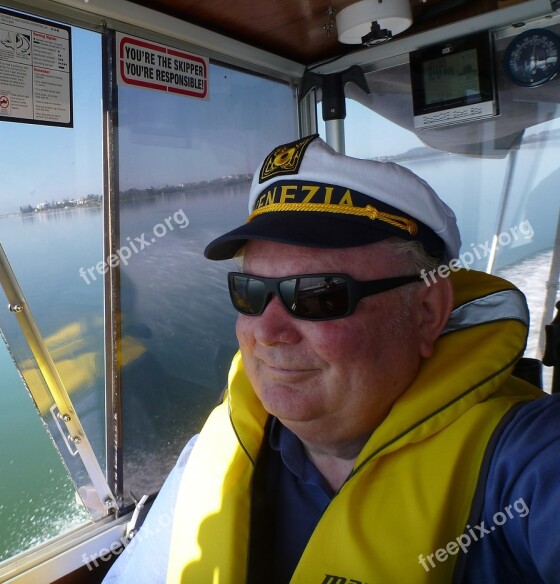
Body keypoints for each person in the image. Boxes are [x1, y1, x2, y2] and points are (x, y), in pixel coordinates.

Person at [103, 135, 560, 583]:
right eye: (250, 292)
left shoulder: (524, 464)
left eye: (318, 295)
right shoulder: (210, 457)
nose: (266, 331)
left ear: (425, 314)